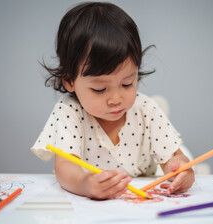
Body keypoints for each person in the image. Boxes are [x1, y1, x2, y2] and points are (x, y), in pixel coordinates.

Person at [31, 2, 194, 200]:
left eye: (127, 84)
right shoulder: (69, 111)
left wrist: (181, 170)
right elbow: (65, 168)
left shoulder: (146, 109)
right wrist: (86, 184)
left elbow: (174, 158)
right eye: (100, 89)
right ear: (69, 80)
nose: (116, 99)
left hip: (140, 208)